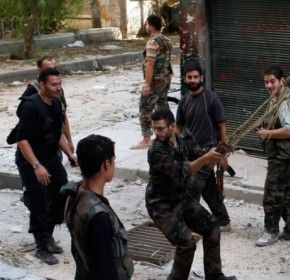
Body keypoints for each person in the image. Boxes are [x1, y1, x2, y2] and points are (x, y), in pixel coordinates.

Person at [145, 108, 236, 280]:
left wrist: (217, 157)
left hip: (181, 198)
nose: (157, 133)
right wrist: (205, 159)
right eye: (154, 129)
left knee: (212, 228)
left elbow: (199, 154)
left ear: (172, 126)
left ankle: (214, 275)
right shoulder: (156, 151)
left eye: (160, 128)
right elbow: (183, 170)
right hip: (161, 206)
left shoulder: (185, 138)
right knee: (186, 243)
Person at [14, 68, 76, 265]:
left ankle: (47, 235)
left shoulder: (57, 104)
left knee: (61, 195)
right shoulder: (31, 106)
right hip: (30, 160)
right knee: (39, 200)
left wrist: (70, 154)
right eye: (53, 85)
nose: (58, 88)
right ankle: (41, 246)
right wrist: (36, 166)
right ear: (42, 85)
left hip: (50, 158)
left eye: (60, 84)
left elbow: (56, 132)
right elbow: (21, 139)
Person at [61, 134, 134, 279]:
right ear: (106, 164)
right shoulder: (98, 216)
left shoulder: (75, 193)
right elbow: (104, 269)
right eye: (113, 161)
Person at [176, 61, 231, 232]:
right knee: (208, 189)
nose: (193, 80)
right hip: (191, 154)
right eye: (189, 77)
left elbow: (222, 127)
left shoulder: (211, 99)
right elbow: (178, 128)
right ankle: (223, 221)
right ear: (185, 79)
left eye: (196, 77)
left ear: (202, 78)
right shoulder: (184, 102)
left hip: (209, 152)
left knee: (192, 187)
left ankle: (190, 223)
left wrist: (223, 155)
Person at [254, 64, 290, 247]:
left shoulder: (286, 101)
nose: (269, 85)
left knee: (272, 194)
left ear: (282, 80)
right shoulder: (276, 97)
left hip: (284, 157)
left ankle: (271, 231)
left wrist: (268, 133)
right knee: (286, 192)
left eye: (272, 81)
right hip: (282, 154)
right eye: (266, 82)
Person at [132, 14, 173, 149]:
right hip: (166, 79)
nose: (146, 26)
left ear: (150, 25)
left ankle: (146, 139)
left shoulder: (152, 42)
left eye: (146, 24)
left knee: (145, 107)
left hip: (155, 82)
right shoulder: (167, 40)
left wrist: (147, 85)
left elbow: (150, 63)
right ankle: (169, 135)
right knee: (162, 106)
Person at [21, 56, 74, 153]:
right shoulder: (32, 91)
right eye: (49, 70)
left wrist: (69, 141)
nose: (53, 72)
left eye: (54, 68)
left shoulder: (57, 89)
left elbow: (62, 116)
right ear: (39, 71)